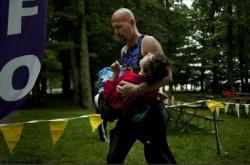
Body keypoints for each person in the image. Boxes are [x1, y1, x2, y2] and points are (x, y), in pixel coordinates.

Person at [106, 8, 177, 164]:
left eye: (119, 27)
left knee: (157, 157)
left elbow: (167, 76)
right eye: (114, 28)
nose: (116, 32)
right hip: (130, 112)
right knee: (114, 156)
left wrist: (137, 90)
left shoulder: (147, 42)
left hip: (151, 113)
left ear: (131, 23)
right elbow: (132, 78)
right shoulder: (124, 50)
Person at [98, 53, 170, 122]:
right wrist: (158, 97)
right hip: (127, 115)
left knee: (97, 96)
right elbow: (149, 99)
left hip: (110, 109)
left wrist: (115, 72)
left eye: (149, 56)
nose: (148, 54)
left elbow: (108, 95)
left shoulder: (129, 78)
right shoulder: (153, 87)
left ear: (146, 69)